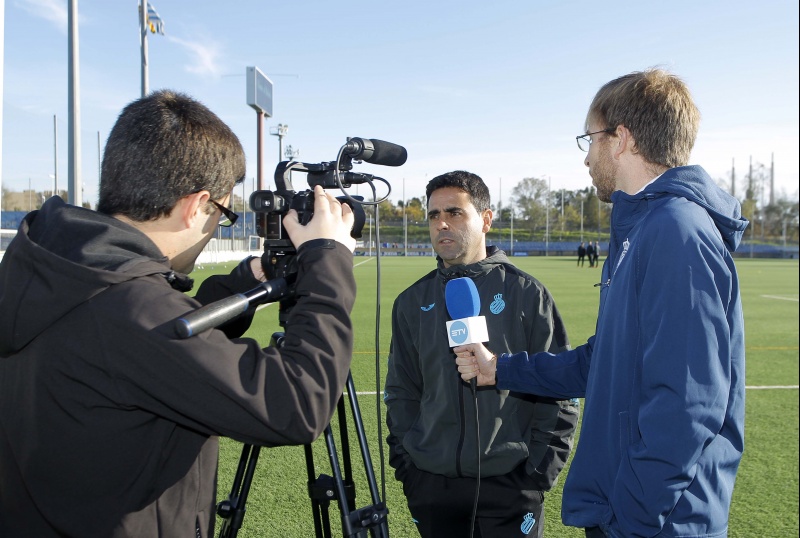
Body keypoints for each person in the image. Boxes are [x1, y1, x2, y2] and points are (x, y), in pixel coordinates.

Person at [0, 90, 357, 537]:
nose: (214, 230)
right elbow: (300, 403)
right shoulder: (131, 309)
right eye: (221, 214)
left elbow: (158, 347)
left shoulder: (53, 263)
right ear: (195, 205)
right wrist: (328, 260)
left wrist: (251, 277)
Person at [455, 69, 748, 538]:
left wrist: (631, 518)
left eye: (589, 139)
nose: (587, 157)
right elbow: (607, 362)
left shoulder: (676, 231)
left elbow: (688, 407)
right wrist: (501, 370)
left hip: (654, 523)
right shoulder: (643, 227)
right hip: (629, 512)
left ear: (621, 140)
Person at [384, 170, 579, 538]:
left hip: (510, 484)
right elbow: (401, 391)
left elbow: (561, 389)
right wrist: (410, 467)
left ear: (486, 219)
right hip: (432, 486)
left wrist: (536, 474)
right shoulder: (411, 301)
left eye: (455, 213)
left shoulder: (527, 294)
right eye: (433, 215)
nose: (442, 223)